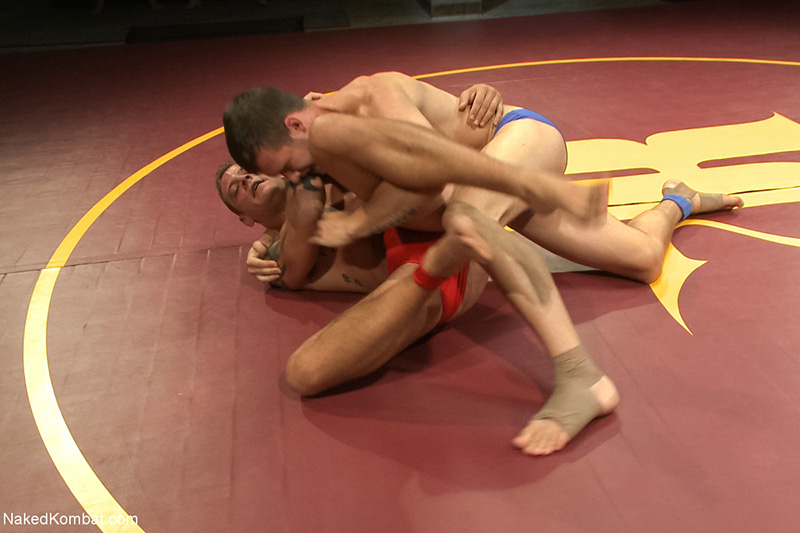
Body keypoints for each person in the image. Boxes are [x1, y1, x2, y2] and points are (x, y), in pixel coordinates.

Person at [216, 160, 618, 456]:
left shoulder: (321, 180)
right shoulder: (275, 257)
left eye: (246, 171)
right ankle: (455, 249)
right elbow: (297, 247)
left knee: (641, 256)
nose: (247, 180)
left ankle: (580, 371)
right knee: (303, 372)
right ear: (243, 218)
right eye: (236, 188)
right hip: (424, 272)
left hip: (448, 214)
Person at [224, 72, 743, 284]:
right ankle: (679, 201)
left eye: (288, 166)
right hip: (491, 183)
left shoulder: (370, 98)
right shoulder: (316, 152)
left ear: (297, 124)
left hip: (521, 141)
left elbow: (429, 176)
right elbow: (300, 245)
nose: (296, 176)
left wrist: (358, 223)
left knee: (463, 218)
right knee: (644, 260)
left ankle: (575, 373)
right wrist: (270, 241)